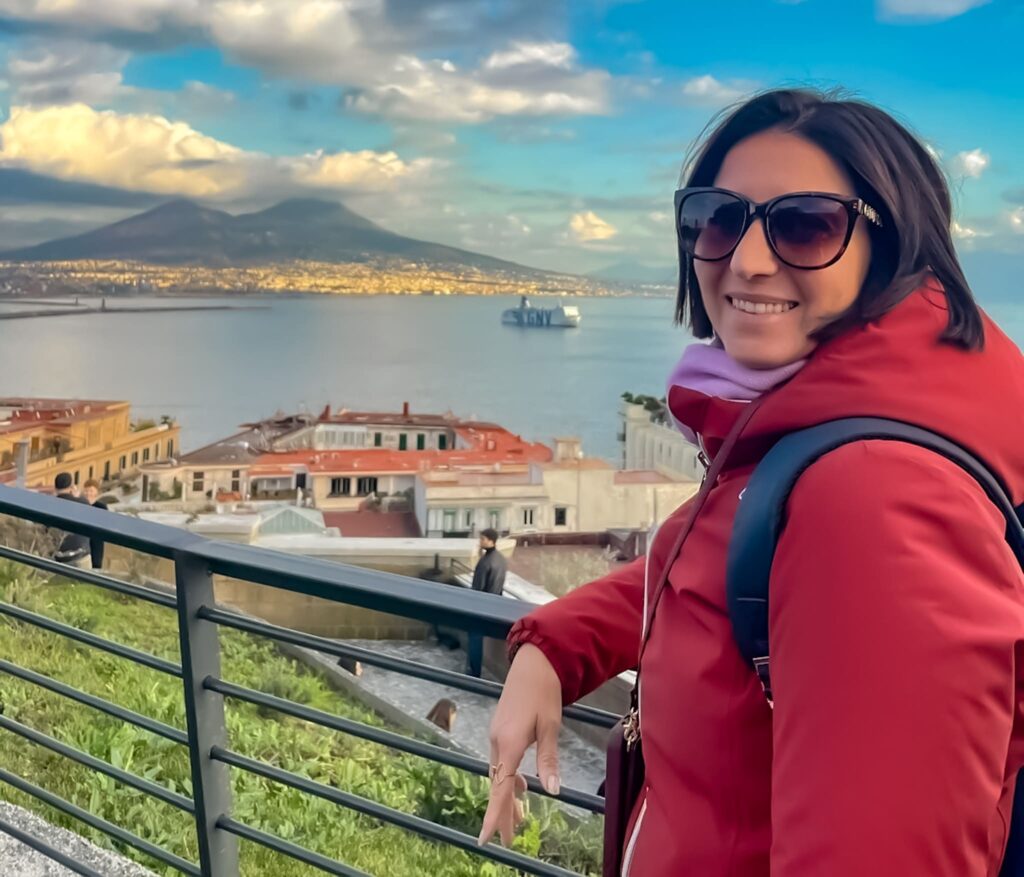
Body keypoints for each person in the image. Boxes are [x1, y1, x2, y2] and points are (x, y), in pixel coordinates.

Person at [479, 87, 1024, 877]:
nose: (748, 258)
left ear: (893, 242)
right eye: (720, 218)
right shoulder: (817, 430)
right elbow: (725, 563)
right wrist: (556, 643)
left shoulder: (876, 494)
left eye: (807, 223)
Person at [467, 528, 508, 677]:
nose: (480, 541)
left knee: (474, 636)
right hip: (496, 602)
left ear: (491, 541)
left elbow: (477, 587)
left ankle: (473, 672)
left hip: (483, 605)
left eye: (483, 539)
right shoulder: (501, 559)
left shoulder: (485, 562)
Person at [52, 473, 91, 568]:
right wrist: (78, 496)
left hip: (58, 557)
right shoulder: (83, 503)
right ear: (71, 487)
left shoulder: (50, 505)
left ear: (55, 488)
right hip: (80, 555)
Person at [82, 479, 107, 570]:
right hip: (84, 541)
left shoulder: (101, 507)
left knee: (96, 565)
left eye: (91, 490)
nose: (88, 493)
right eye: (86, 490)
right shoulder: (81, 505)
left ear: (97, 492)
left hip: (96, 541)